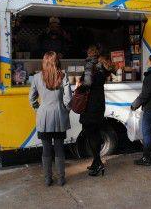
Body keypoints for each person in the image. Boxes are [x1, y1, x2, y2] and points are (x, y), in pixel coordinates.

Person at [29, 51, 72, 186]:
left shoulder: (36, 77)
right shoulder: (63, 76)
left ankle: (47, 179)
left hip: (44, 117)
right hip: (59, 116)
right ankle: (61, 178)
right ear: (56, 62)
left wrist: (38, 109)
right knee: (59, 149)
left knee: (46, 149)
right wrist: (65, 110)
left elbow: (32, 98)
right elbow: (68, 99)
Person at [77, 46, 111, 176]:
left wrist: (79, 88)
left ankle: (98, 163)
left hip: (89, 105)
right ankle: (96, 163)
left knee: (90, 133)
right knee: (95, 133)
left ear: (89, 54)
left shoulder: (89, 66)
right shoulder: (102, 67)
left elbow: (87, 84)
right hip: (99, 104)